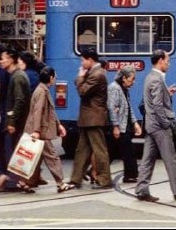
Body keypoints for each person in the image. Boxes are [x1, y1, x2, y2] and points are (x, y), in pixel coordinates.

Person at [135, 50, 176, 202]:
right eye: (167, 60)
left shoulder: (150, 77)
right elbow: (157, 105)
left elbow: (150, 101)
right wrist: (166, 123)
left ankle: (142, 189)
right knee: (170, 158)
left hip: (150, 125)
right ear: (160, 60)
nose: (169, 63)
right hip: (159, 126)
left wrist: (167, 93)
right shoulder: (157, 79)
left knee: (147, 159)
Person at [64, 48, 112, 190]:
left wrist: (80, 76)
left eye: (83, 60)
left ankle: (104, 180)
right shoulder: (94, 73)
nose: (81, 63)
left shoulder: (97, 74)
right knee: (82, 150)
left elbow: (83, 91)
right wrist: (82, 77)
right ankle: (76, 178)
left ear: (90, 60)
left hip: (93, 117)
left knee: (99, 150)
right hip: (89, 118)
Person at [24, 66, 70, 192]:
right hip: (41, 131)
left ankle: (26, 183)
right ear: (50, 78)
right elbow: (38, 112)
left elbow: (50, 111)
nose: (56, 79)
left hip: (39, 129)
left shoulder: (42, 90)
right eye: (55, 76)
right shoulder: (42, 92)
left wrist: (58, 125)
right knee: (52, 157)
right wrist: (36, 131)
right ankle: (61, 183)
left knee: (35, 158)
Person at [0, 48, 33, 193]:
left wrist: (12, 121)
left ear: (11, 59)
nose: (1, 61)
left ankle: (16, 182)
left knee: (12, 151)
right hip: (18, 121)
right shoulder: (16, 75)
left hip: (17, 123)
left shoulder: (17, 77)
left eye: (3, 58)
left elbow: (19, 100)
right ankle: (18, 181)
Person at [107, 65, 142, 183]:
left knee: (112, 151)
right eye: (132, 79)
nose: (133, 82)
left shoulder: (124, 89)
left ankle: (94, 171)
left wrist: (135, 123)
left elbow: (128, 106)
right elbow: (111, 107)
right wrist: (115, 126)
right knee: (129, 151)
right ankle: (130, 175)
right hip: (119, 126)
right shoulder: (114, 88)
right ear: (124, 78)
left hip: (124, 124)